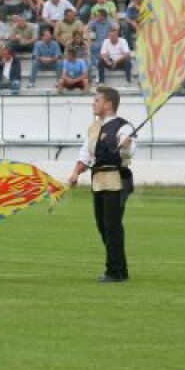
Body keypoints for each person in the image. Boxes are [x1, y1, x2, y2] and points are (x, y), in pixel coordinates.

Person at [69, 85, 135, 283]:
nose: (93, 103)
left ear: (108, 104)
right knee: (103, 225)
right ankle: (119, 268)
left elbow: (127, 152)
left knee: (112, 225)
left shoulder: (124, 127)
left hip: (116, 180)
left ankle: (114, 271)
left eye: (97, 100)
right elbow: (86, 153)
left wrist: (126, 145)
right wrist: (75, 172)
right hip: (98, 180)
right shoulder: (93, 127)